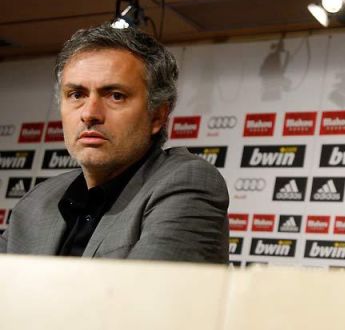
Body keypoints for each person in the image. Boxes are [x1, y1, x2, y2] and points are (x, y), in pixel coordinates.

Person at [0, 24, 229, 263]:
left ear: (157, 116)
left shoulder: (187, 182)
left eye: (115, 96)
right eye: (77, 95)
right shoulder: (38, 200)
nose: (89, 114)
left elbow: (144, 287)